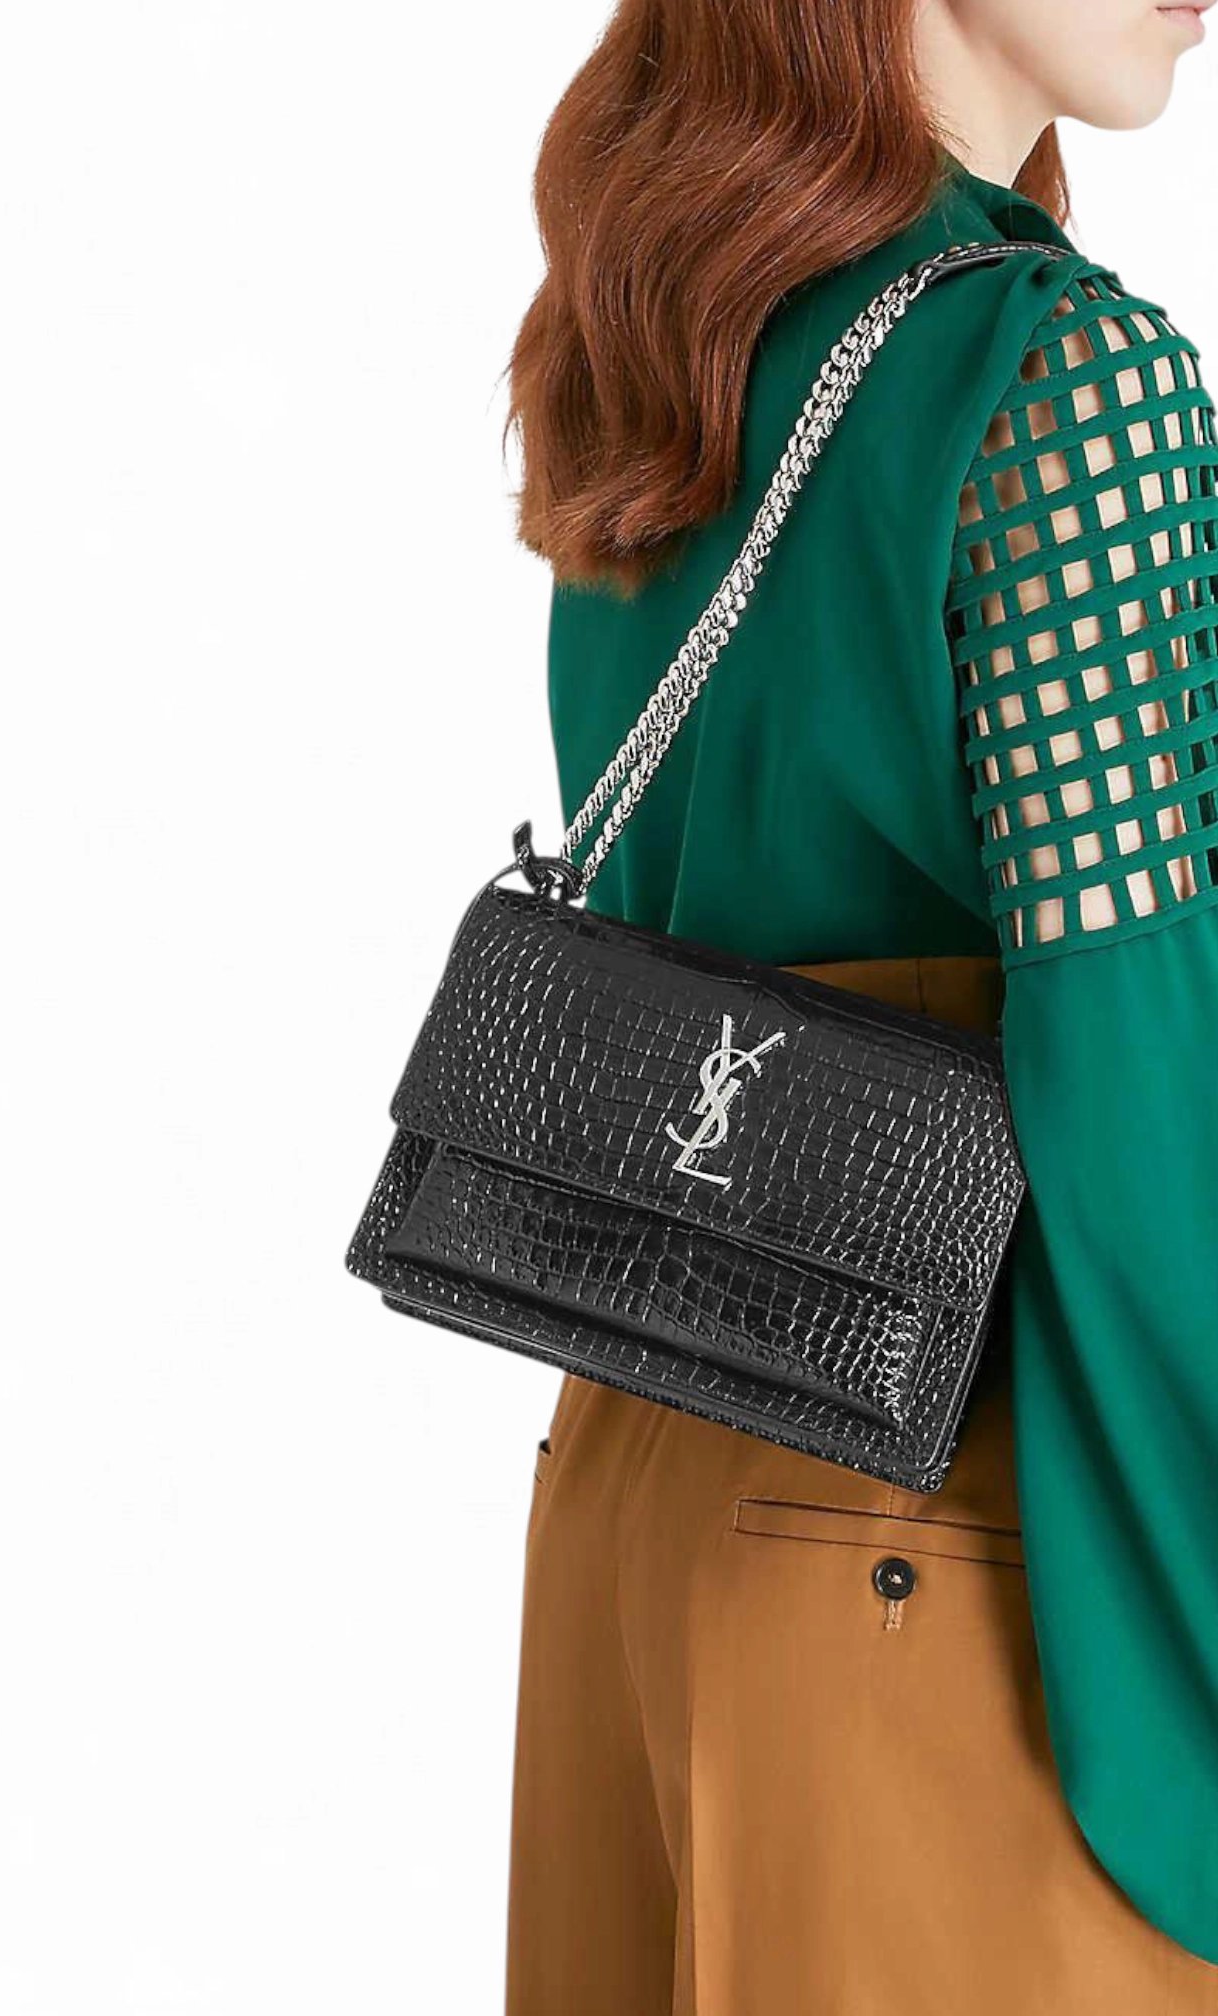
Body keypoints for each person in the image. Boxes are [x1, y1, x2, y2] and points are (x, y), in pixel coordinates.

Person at [501, 1, 1218, 2006]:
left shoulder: (666, 340)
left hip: (640, 1479)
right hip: (963, 1560)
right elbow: (1138, 1085)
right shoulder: (1056, 380)